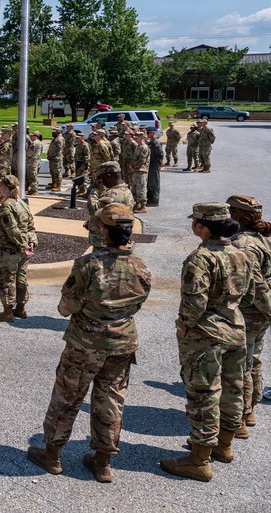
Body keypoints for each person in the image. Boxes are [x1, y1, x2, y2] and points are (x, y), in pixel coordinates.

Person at [27, 203, 150, 483]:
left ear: (104, 230)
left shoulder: (89, 265)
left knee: (67, 396)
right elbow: (137, 304)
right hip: (122, 344)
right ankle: (103, 463)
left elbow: (66, 307)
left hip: (85, 344)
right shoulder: (142, 266)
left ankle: (52, 455)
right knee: (111, 400)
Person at [160, 203, 249, 482]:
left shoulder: (200, 258)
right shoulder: (241, 253)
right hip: (236, 330)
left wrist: (184, 325)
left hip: (206, 335)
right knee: (233, 389)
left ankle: (199, 461)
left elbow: (194, 303)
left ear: (201, 226)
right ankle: (224, 446)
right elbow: (247, 293)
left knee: (204, 394)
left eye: (195, 221)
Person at [226, 195, 271, 434]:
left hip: (249, 311)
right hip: (259, 313)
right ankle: (250, 409)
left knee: (240, 365)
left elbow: (256, 284)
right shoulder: (260, 238)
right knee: (253, 360)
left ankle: (240, 419)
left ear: (235, 215)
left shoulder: (242, 245)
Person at [0, 175, 37, 322]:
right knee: (21, 278)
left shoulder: (7, 206)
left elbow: (12, 230)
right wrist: (31, 242)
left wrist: (23, 245)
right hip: (23, 249)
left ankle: (7, 311)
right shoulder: (22, 203)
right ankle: (21, 308)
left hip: (10, 250)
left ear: (5, 187)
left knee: (7, 279)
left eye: (1, 186)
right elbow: (30, 226)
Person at [86, 162, 134, 248]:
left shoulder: (112, 195)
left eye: (102, 178)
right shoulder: (126, 191)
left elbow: (93, 210)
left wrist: (94, 190)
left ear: (108, 176)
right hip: (117, 237)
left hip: (104, 241)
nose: (102, 182)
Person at [129, 131, 149, 213]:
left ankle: (143, 206)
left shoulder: (144, 148)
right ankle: (137, 204)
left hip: (141, 170)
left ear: (142, 138)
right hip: (136, 170)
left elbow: (142, 161)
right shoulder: (138, 147)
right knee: (135, 188)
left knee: (141, 188)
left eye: (137, 138)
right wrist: (131, 165)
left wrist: (134, 167)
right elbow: (134, 158)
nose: (135, 140)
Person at [146, 128, 163, 206]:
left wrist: (160, 163)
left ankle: (154, 200)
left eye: (148, 133)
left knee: (154, 183)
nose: (147, 134)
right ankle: (150, 199)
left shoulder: (156, 142)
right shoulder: (151, 142)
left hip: (154, 164)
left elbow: (160, 154)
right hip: (151, 164)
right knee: (150, 183)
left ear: (153, 133)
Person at [73, 131, 90, 195]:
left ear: (82, 138)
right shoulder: (78, 145)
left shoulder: (85, 145)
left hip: (83, 163)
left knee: (83, 177)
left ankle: (83, 190)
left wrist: (84, 165)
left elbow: (87, 156)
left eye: (78, 138)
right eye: (76, 138)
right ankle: (80, 190)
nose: (76, 139)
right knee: (78, 177)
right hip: (78, 162)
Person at [26, 131, 43, 196]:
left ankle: (34, 190)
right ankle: (32, 189)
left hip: (32, 162)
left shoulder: (35, 143)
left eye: (32, 136)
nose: (30, 137)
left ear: (36, 136)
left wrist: (25, 154)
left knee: (32, 176)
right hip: (34, 161)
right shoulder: (39, 142)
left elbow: (29, 153)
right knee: (32, 175)